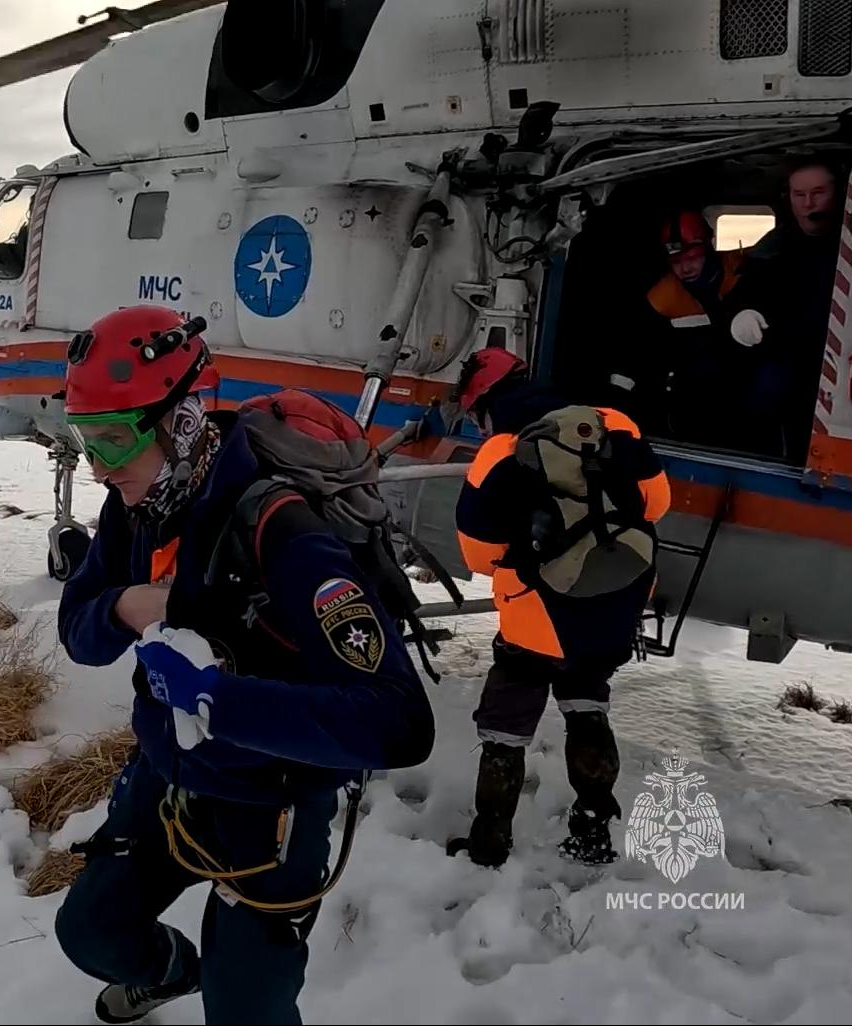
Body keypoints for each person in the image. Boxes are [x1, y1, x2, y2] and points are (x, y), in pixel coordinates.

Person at [53, 304, 435, 1024]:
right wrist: (127, 606)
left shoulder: (283, 528)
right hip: (169, 775)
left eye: (110, 439)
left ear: (183, 422)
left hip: (275, 802)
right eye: (84, 440)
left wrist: (214, 701)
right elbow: (80, 632)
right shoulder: (137, 503)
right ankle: (171, 973)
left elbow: (400, 724)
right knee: (90, 931)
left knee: (245, 1009)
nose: (98, 467)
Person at [445, 347, 671, 869]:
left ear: (483, 405)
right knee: (588, 707)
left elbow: (478, 555)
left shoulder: (499, 453)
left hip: (536, 619)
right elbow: (656, 503)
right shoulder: (612, 423)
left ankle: (489, 845)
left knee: (505, 728)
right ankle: (592, 833)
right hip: (618, 598)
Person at [727, 159, 845, 459]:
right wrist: (742, 314)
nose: (808, 203)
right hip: (788, 365)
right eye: (799, 194)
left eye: (818, 193)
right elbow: (745, 293)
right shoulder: (774, 247)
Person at [622, 210, 748, 444]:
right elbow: (638, 352)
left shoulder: (742, 271)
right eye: (676, 262)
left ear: (709, 248)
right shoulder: (663, 298)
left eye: (691, 258)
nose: (685, 269)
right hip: (697, 403)